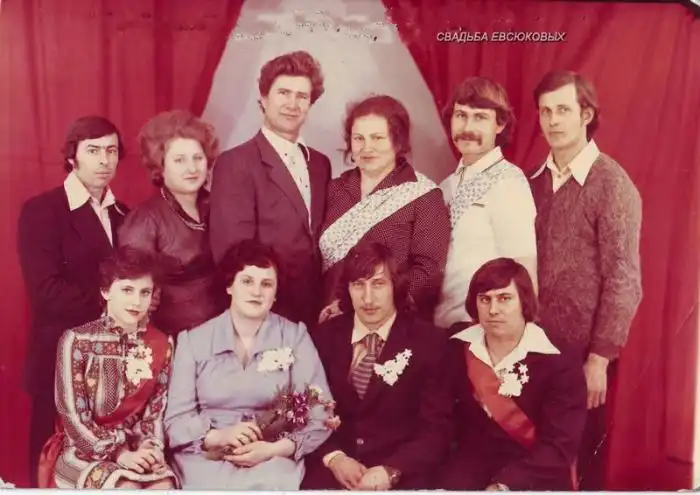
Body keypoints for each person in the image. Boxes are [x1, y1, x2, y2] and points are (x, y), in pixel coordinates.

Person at [529, 70, 642, 490]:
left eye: (563, 110)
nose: (553, 120)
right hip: (532, 348)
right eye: (545, 111)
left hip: (584, 356)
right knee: (533, 462)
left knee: (583, 467)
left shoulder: (611, 182)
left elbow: (624, 279)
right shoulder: (531, 182)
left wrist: (599, 360)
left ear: (586, 114)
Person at [164, 239, 334, 489]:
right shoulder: (193, 341)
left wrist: (273, 449)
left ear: (275, 293)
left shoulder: (294, 336)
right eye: (247, 281)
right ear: (229, 286)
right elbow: (175, 421)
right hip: (206, 457)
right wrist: (217, 436)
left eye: (266, 284)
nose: (257, 292)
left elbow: (320, 412)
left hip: (271, 457)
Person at [16, 116, 129, 486]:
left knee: (104, 467)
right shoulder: (43, 210)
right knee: (48, 466)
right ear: (72, 156)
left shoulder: (124, 214)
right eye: (93, 150)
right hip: (58, 357)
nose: (104, 160)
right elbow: (45, 290)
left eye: (112, 151)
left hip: (113, 362)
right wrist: (114, 308)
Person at [304, 241, 453, 490]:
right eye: (358, 284)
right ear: (347, 289)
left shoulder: (430, 342)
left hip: (401, 473)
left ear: (396, 285)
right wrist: (335, 458)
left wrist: (392, 470)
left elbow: (437, 430)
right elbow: (309, 410)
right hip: (335, 470)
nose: (368, 298)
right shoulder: (324, 337)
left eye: (378, 284)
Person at [438, 258, 587, 491]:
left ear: (524, 301)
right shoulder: (457, 345)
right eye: (484, 299)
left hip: (536, 473)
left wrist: (504, 485)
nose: (493, 310)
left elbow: (560, 446)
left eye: (504, 298)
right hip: (469, 469)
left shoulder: (560, 358)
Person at [209, 51, 331, 328]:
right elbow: (233, 254)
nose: (292, 104)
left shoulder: (320, 164)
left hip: (315, 310)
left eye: (302, 96)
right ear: (263, 99)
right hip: (266, 312)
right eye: (283, 93)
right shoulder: (236, 163)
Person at [37, 247, 176, 489]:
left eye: (145, 292)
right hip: (82, 450)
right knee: (126, 488)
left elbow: (155, 412)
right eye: (127, 290)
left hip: (136, 449)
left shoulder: (162, 344)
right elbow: (73, 418)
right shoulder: (77, 341)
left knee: (163, 487)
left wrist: (149, 448)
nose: (136, 301)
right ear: (106, 291)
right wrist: (119, 453)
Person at [318, 95, 450, 323]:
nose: (367, 148)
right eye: (358, 138)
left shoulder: (424, 195)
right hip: (330, 321)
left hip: (393, 323)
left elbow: (428, 271)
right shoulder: (334, 190)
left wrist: (369, 306)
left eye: (377, 138)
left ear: (398, 142)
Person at [434, 77, 537, 329]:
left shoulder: (508, 182)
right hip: (441, 327)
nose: (467, 127)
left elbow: (523, 270)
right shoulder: (444, 187)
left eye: (480, 117)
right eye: (461, 115)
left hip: (483, 329)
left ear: (500, 124)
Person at [119, 110, 228, 335]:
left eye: (198, 158)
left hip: (226, 330)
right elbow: (130, 295)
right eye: (179, 160)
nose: (192, 168)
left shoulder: (220, 204)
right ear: (160, 166)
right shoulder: (145, 221)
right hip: (173, 340)